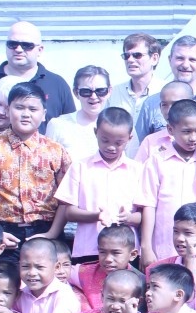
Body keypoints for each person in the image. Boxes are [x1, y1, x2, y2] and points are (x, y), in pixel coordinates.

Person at [0, 83, 72, 260]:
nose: (26, 114)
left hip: (47, 231)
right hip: (4, 232)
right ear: (8, 110)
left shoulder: (56, 150)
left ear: (44, 114)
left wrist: (52, 233)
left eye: (33, 109)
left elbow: (66, 198)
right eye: (19, 107)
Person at [137, 99, 196, 266]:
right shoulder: (157, 161)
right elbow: (149, 205)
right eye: (186, 132)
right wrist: (146, 246)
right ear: (171, 129)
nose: (193, 138)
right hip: (166, 244)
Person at [54, 107, 141, 260]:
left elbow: (144, 214)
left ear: (130, 138)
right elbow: (70, 212)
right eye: (105, 140)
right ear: (96, 133)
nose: (111, 147)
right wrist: (97, 215)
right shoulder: (80, 167)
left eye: (118, 143)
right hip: (88, 248)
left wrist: (129, 218)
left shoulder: (138, 170)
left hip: (125, 252)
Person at [132, 36, 196, 140]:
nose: (185, 65)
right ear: (170, 60)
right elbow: (139, 146)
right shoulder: (151, 104)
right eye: (180, 58)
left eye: (192, 59)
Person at [0, 22, 74, 130]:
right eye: (12, 44)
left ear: (40, 50)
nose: (18, 49)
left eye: (26, 45)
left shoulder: (57, 84)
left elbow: (70, 128)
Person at [45, 65, 114, 159]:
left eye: (100, 90)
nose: (93, 97)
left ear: (109, 91)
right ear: (76, 93)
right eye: (86, 91)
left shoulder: (121, 125)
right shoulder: (58, 125)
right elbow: (47, 163)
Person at [67, 225, 140, 309]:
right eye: (102, 252)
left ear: (133, 254)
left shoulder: (140, 281)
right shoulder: (85, 272)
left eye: (115, 253)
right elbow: (59, 273)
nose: (108, 259)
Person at [130, 81, 194, 162]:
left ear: (192, 105)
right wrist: (156, 158)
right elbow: (139, 168)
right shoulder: (151, 142)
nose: (169, 111)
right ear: (160, 107)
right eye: (164, 105)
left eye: (175, 104)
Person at [107, 33, 163, 117]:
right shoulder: (114, 93)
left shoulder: (166, 91)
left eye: (137, 55)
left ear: (154, 58)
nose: (130, 60)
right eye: (126, 56)